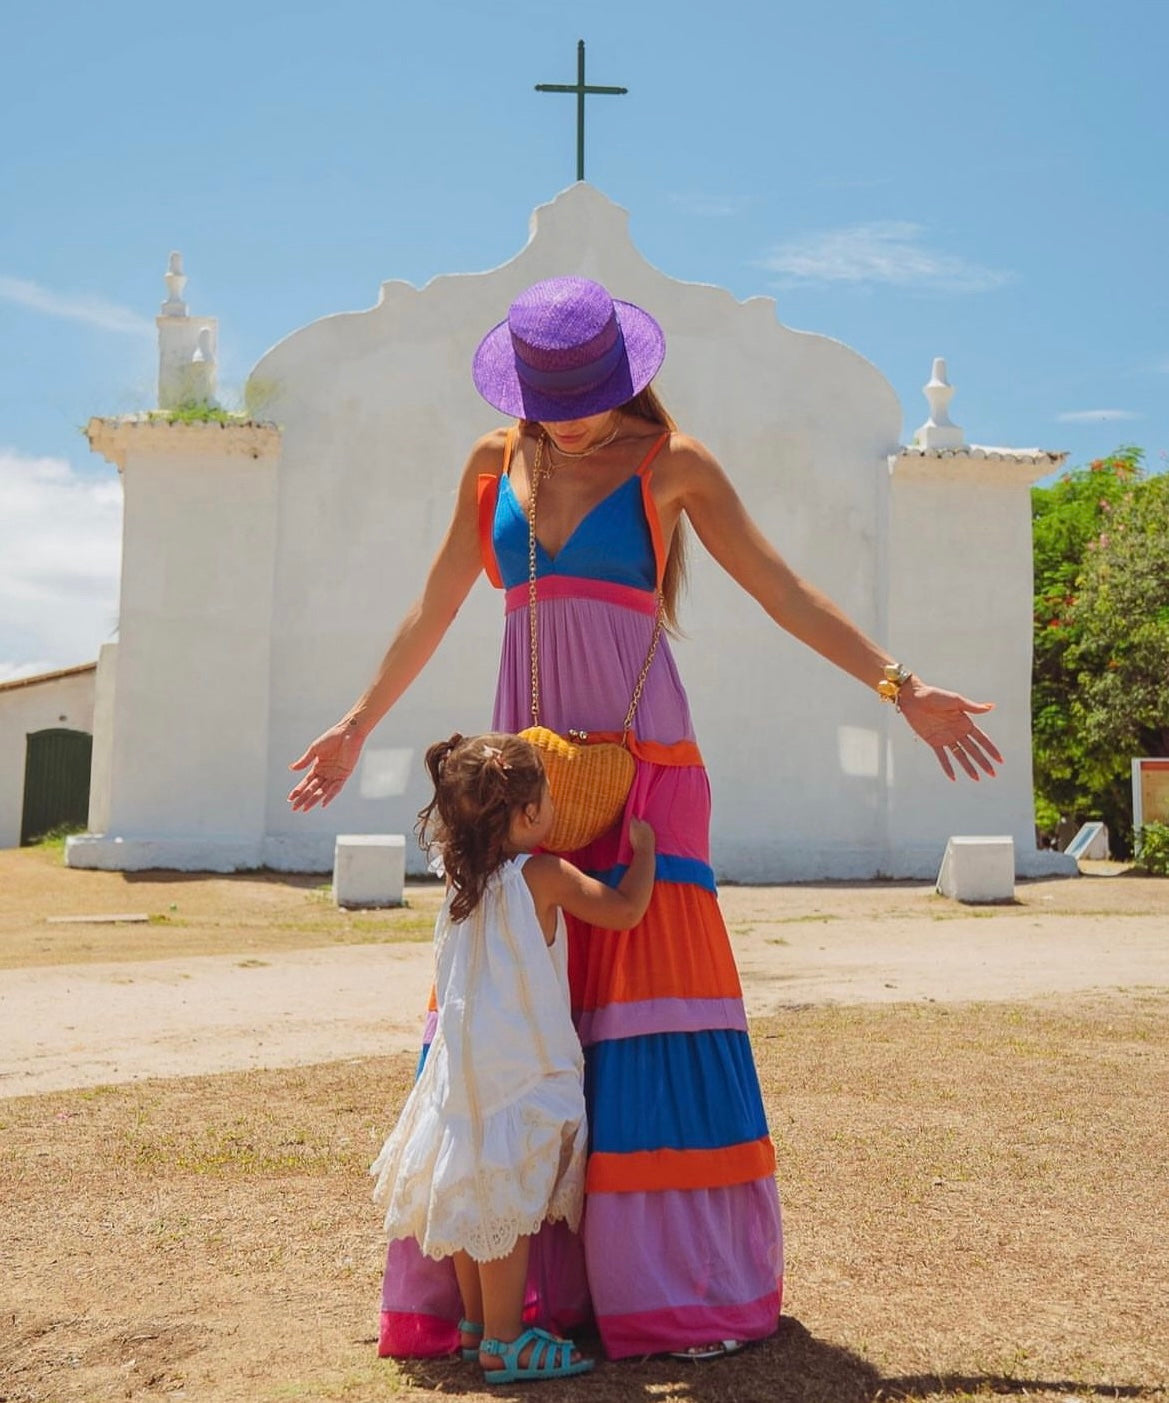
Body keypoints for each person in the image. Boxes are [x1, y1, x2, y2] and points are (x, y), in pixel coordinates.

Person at [289, 275, 1002, 1361]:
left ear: (625, 376)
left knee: (646, 1015)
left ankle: (659, 1286)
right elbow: (433, 603)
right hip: (516, 784)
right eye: (550, 394)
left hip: (649, 774)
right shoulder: (494, 465)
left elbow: (780, 588)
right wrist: (351, 725)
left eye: (585, 392)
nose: (566, 415)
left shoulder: (675, 466)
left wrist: (902, 688)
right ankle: (523, 1301)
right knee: (511, 1020)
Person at [369, 731, 656, 1383]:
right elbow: (625, 910)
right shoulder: (544, 874)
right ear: (527, 814)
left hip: (461, 1077)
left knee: (476, 1200)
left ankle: (474, 1325)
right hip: (522, 1072)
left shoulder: (458, 879)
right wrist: (644, 854)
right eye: (548, 796)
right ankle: (505, 1339)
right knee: (506, 1210)